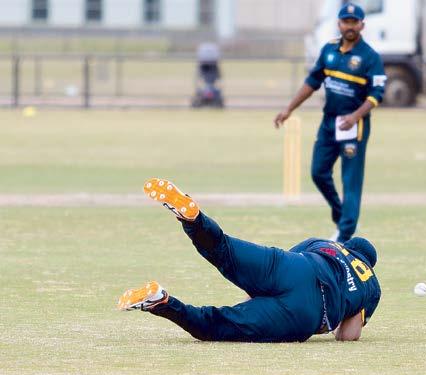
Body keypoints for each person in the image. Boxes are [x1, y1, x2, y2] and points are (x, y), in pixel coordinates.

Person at [118, 177, 381, 343]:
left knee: (224, 250)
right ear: (368, 264)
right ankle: (161, 301)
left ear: (348, 247)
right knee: (217, 325)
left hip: (296, 267)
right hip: (308, 312)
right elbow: (348, 335)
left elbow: (281, 267)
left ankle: (193, 219)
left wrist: (254, 291)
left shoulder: (327, 244)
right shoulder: (372, 287)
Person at [274, 3, 387, 243]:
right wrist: (289, 109)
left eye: (354, 22)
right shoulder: (329, 50)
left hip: (354, 126)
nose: (350, 26)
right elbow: (312, 82)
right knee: (318, 172)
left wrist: (355, 116)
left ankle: (344, 234)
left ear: (362, 25)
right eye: (346, 21)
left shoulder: (370, 57)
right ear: (339, 24)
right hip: (329, 123)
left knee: (350, 181)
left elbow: (377, 94)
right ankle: (341, 213)